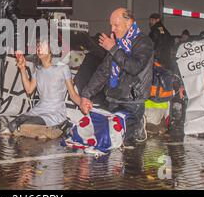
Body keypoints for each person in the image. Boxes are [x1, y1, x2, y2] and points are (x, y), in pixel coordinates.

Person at [80, 8, 154, 146]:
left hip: (133, 101)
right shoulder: (118, 44)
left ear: (129, 22)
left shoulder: (144, 42)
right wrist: (86, 95)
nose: (112, 29)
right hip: (114, 98)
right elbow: (103, 71)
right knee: (107, 141)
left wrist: (113, 48)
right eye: (111, 25)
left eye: (116, 25)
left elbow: (134, 68)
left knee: (125, 144)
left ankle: (136, 128)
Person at [9, 39, 84, 133]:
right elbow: (29, 90)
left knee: (26, 125)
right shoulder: (38, 70)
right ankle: (45, 130)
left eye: (42, 46)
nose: (39, 48)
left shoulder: (63, 68)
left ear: (51, 51)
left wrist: (82, 103)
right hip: (39, 110)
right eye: (38, 46)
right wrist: (22, 69)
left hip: (54, 112)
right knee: (12, 125)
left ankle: (60, 125)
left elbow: (73, 95)